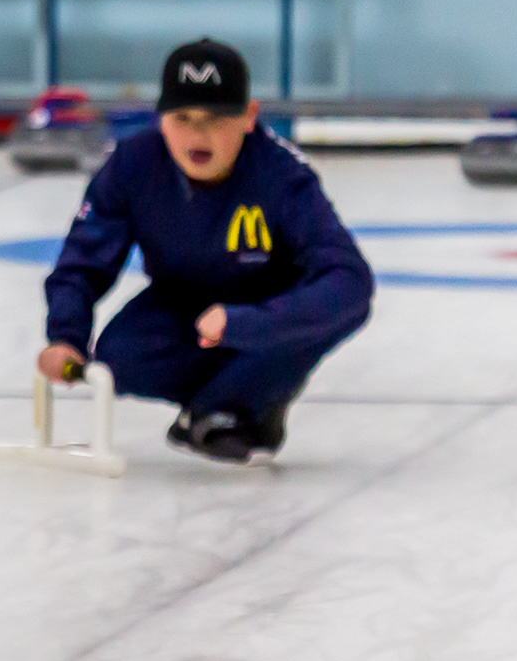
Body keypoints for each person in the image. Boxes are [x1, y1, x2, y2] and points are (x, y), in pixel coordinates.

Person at [36, 38, 373, 463]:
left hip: (267, 311)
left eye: (216, 119)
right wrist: (65, 336)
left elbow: (349, 279)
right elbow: (82, 263)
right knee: (117, 359)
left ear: (249, 117)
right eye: (183, 118)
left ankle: (233, 405)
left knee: (343, 305)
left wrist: (247, 324)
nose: (198, 135)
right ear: (161, 120)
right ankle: (233, 406)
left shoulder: (283, 177)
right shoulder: (131, 166)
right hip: (182, 305)